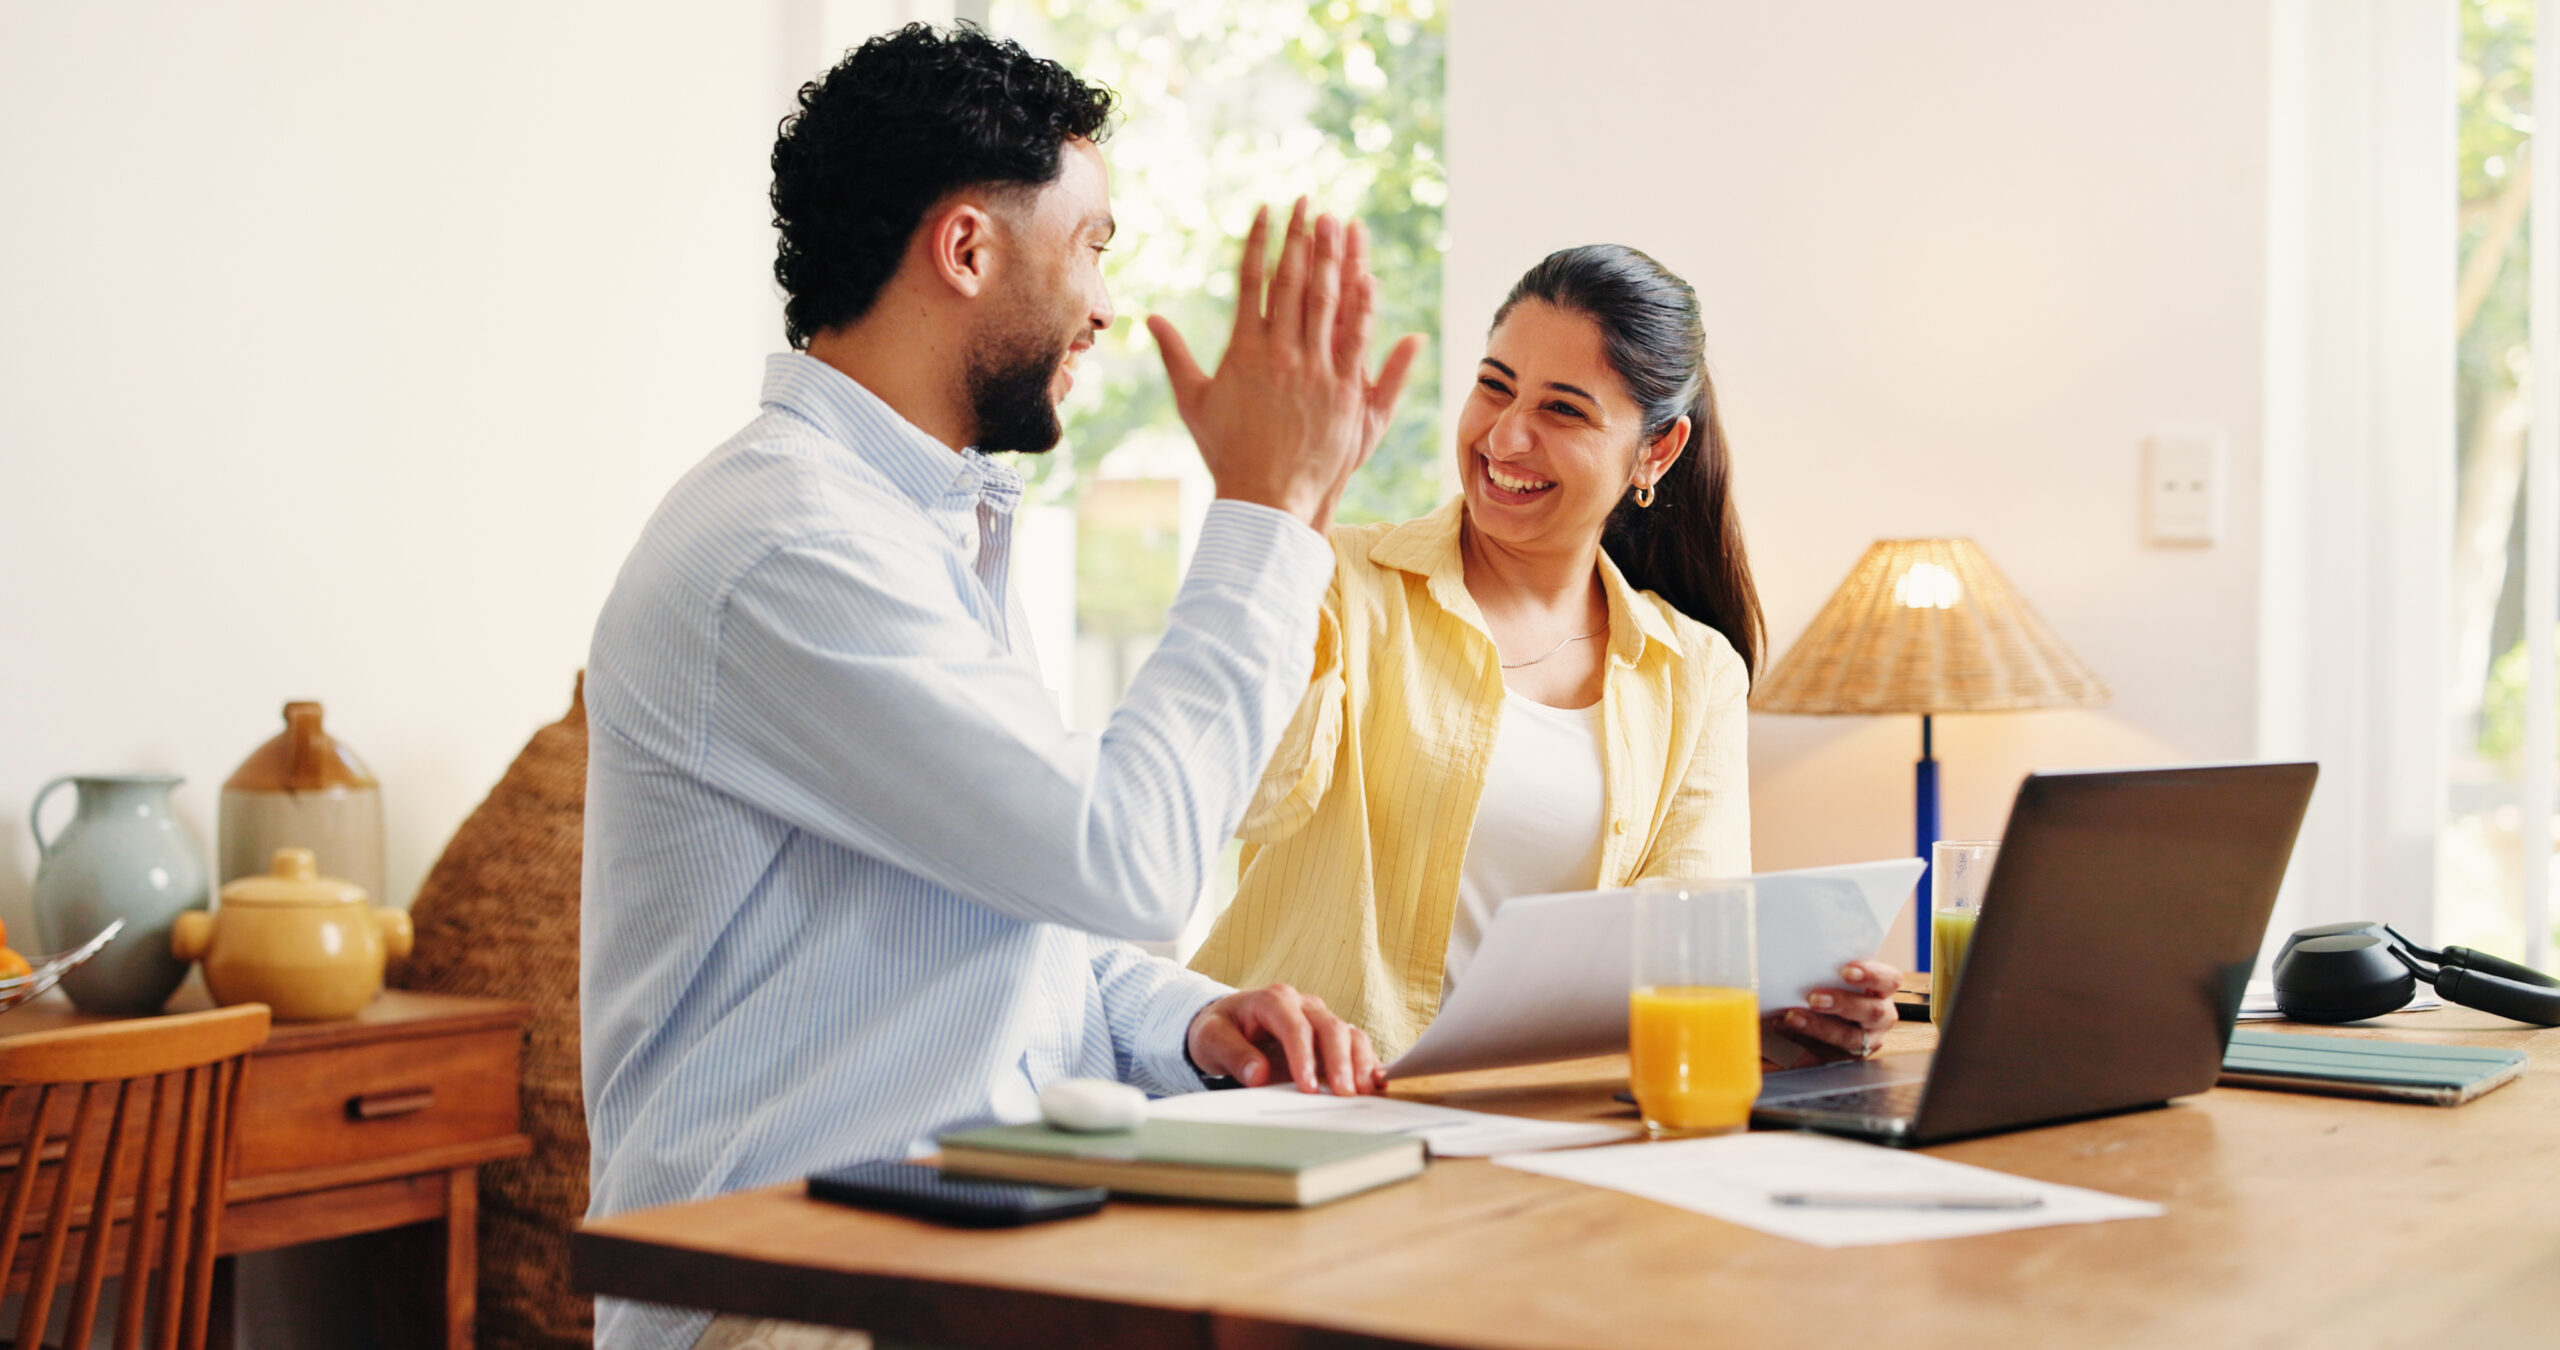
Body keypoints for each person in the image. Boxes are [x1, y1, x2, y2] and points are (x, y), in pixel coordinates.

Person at [580, 25, 1421, 1350]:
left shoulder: (913, 520)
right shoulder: (794, 546)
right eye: (1090, 244)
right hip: (788, 1303)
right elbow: (1123, 859)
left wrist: (1194, 1026)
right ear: (967, 249)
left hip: (965, 1255)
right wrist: (1270, 509)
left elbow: (1022, 904)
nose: (1103, 302)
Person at [1190, 244, 1901, 1064]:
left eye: (1563, 410)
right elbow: (1253, 802)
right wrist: (1287, 511)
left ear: (1657, 452)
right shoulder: (1337, 576)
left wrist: (1797, 1016)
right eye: (1495, 385)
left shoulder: (1695, 671)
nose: (1505, 436)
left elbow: (1693, 958)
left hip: (1535, 1128)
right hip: (1299, 1105)